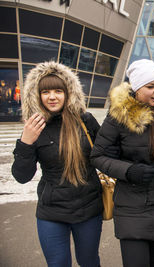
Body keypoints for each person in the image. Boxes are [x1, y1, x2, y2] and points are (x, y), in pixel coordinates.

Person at [90, 59, 154, 267]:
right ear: (136, 88)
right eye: (150, 86)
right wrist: (129, 171)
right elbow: (98, 156)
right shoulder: (119, 116)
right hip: (132, 207)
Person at [11, 61, 103, 267]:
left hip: (88, 208)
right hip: (51, 212)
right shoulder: (34, 126)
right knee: (58, 263)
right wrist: (26, 142)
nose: (52, 96)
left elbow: (107, 155)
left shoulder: (85, 121)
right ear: (37, 95)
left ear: (68, 92)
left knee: (89, 261)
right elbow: (21, 176)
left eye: (58, 90)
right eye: (45, 92)